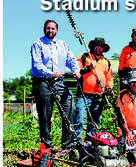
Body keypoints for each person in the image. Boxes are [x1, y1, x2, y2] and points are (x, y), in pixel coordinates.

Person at [31, 19, 81, 150]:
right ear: (44, 29)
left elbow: (71, 59)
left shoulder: (63, 44)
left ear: (56, 30)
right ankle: (47, 146)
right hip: (43, 81)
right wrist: (51, 73)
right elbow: (37, 65)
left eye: (53, 28)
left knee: (70, 108)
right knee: (45, 114)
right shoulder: (38, 44)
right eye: (48, 28)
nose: (50, 30)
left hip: (59, 82)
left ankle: (68, 144)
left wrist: (76, 70)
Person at [74, 37, 114, 141]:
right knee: (80, 118)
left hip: (99, 95)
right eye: (97, 45)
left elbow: (109, 78)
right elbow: (77, 71)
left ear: (103, 48)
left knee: (96, 120)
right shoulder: (84, 57)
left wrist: (109, 88)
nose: (99, 48)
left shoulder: (106, 62)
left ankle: (90, 139)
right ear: (92, 46)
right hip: (84, 95)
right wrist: (89, 68)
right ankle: (76, 141)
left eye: (101, 46)